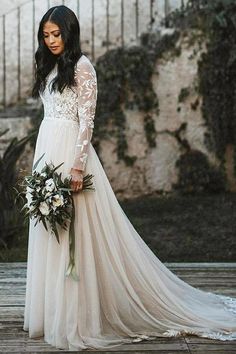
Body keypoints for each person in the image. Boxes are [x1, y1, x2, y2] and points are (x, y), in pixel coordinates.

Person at [23, 4, 236, 351]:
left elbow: (87, 122)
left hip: (70, 153)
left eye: (56, 34)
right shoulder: (45, 64)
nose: (50, 41)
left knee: (77, 231)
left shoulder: (83, 67)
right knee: (51, 229)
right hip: (46, 148)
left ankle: (79, 315)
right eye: (46, 35)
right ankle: (51, 312)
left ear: (69, 33)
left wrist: (77, 167)